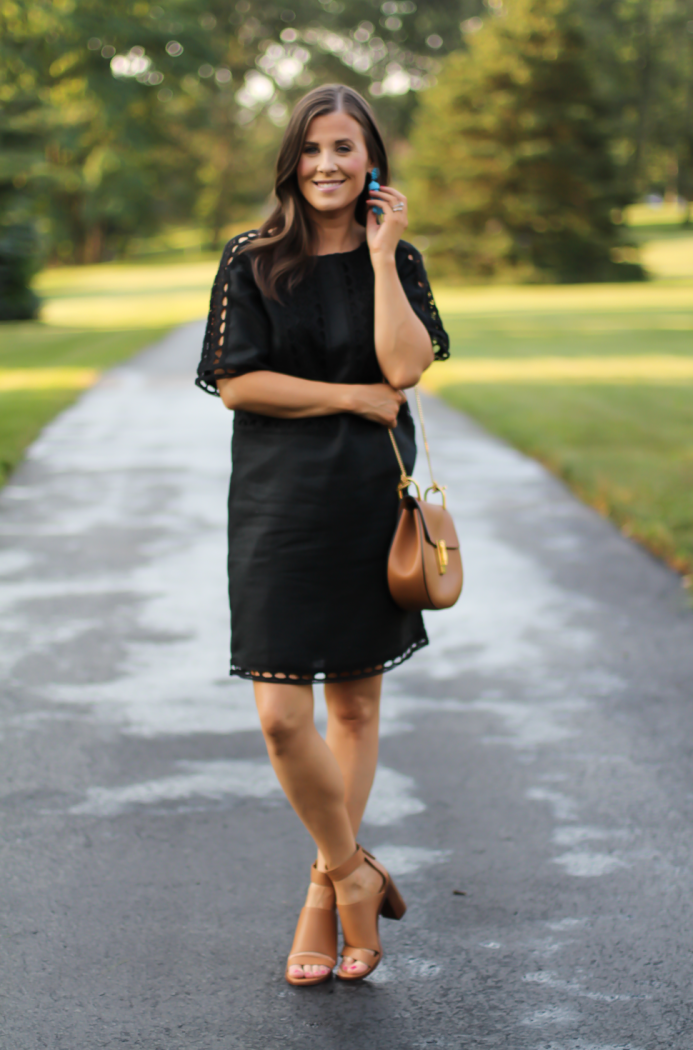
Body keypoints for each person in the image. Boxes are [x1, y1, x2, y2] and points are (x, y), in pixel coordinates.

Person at [196, 83, 449, 985]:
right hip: (275, 502)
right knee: (278, 715)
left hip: (365, 502)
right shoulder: (252, 258)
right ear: (290, 162)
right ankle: (351, 871)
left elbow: (405, 367)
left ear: (370, 160)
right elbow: (236, 383)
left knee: (352, 705)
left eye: (344, 148)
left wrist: (381, 259)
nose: (327, 166)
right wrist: (344, 397)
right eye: (311, 150)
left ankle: (318, 893)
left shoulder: (399, 258)